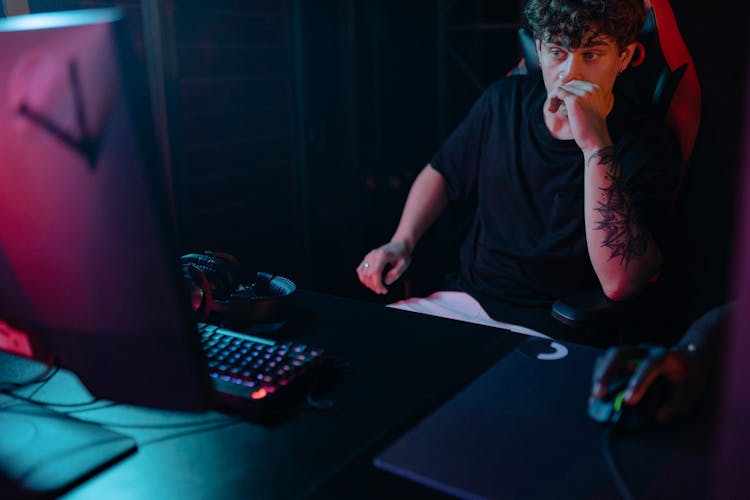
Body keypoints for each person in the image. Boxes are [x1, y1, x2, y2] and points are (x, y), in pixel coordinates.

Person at [356, 0, 680, 337]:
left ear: (624, 57)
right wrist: (401, 242)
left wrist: (595, 146)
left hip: (551, 328)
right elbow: (442, 172)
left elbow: (620, 283)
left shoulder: (648, 144)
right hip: (464, 302)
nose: (570, 74)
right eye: (557, 51)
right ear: (539, 50)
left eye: (591, 54)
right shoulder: (503, 101)